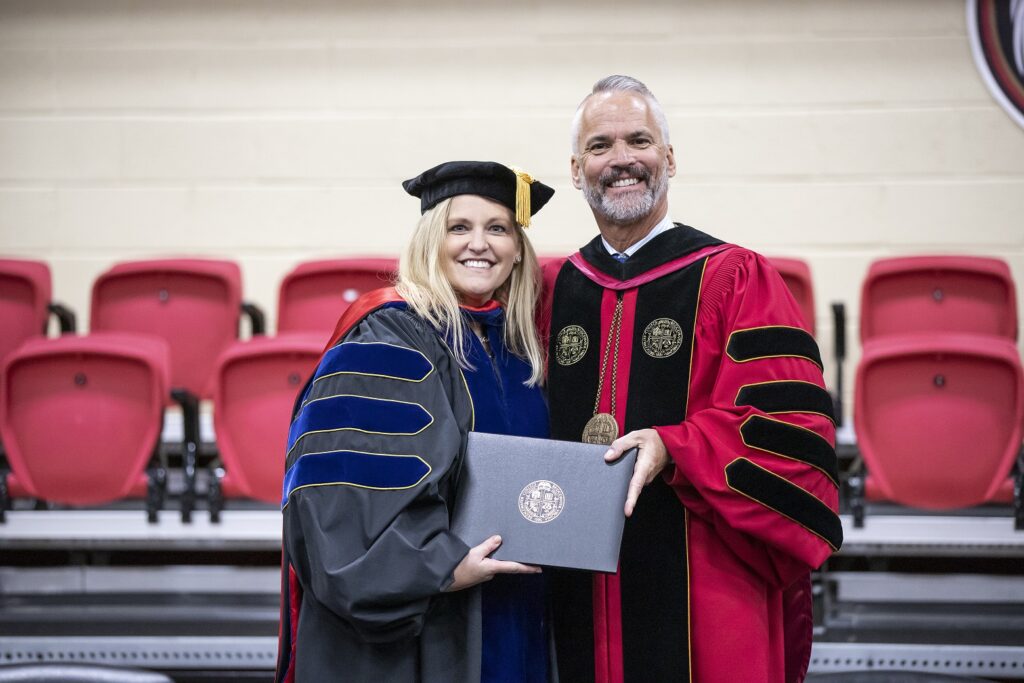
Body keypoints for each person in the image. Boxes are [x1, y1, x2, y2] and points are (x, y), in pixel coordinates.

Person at [541, 75, 843, 683]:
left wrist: (674, 446)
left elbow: (789, 431)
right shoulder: (553, 288)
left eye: (640, 140)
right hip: (570, 583)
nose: (621, 159)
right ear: (576, 169)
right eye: (600, 146)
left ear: (669, 159)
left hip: (703, 576)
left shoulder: (736, 278)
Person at [276, 161, 556, 682]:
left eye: (498, 228)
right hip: (430, 627)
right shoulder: (389, 339)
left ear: (518, 248)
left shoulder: (520, 351)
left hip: (514, 611)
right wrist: (442, 567)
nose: (480, 243)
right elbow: (338, 510)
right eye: (459, 227)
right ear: (431, 240)